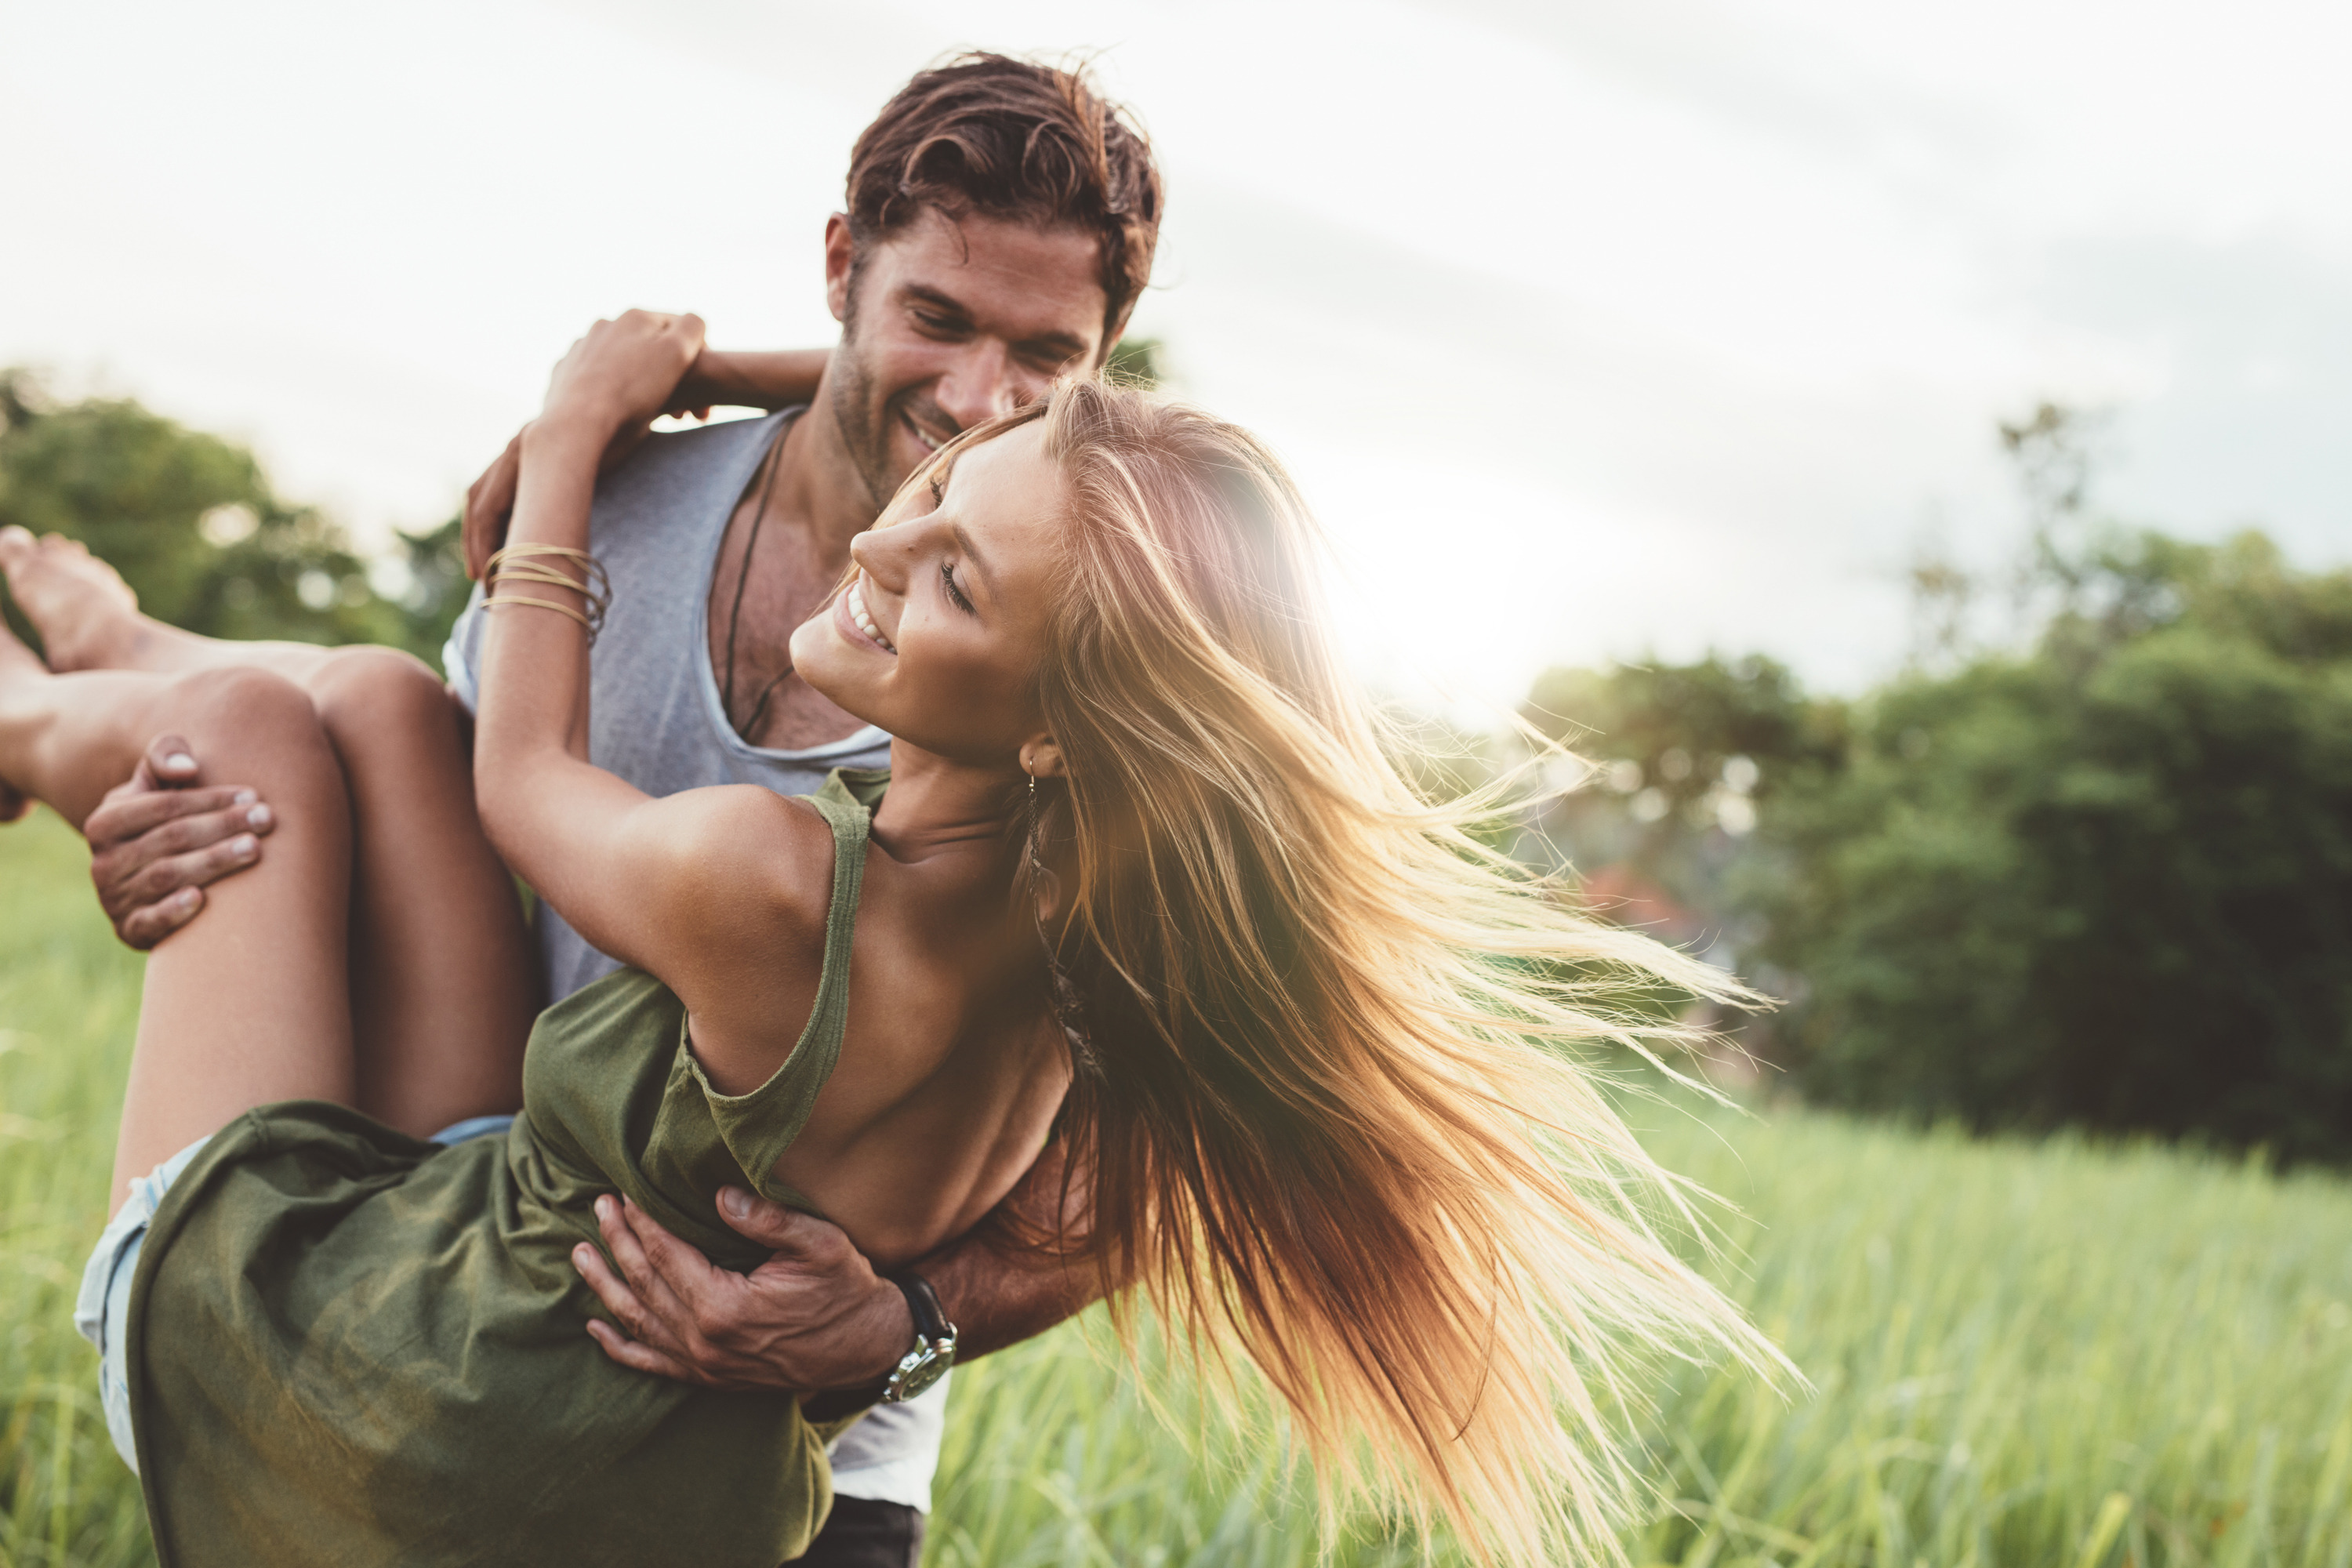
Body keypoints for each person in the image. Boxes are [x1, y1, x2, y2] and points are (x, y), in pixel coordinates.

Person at [2, 310, 1778, 1564]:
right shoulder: (1115, 959)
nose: (886, 539)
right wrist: (747, 381)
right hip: (590, 1382)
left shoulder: (772, 885)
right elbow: (1054, 485)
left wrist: (566, 443)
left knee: (248, 738)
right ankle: (109, 636)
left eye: (951, 577)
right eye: (941, 485)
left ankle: (23, 718)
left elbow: (523, 779)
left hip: (415, 1416)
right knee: (387, 707)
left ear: (1064, 716)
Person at [48, 53, 1167, 1563]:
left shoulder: (1073, 725)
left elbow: (1160, 1181)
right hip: (478, 1197)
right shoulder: (634, 515)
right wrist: (173, 839)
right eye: (936, 317)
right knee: (348, 707)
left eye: (1048, 355)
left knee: (251, 723)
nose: (982, 399)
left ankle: (86, 683)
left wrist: (899, 1327)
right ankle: (107, 668)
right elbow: (422, 795)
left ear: (1101, 372)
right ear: (842, 268)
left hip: (751, 1427)